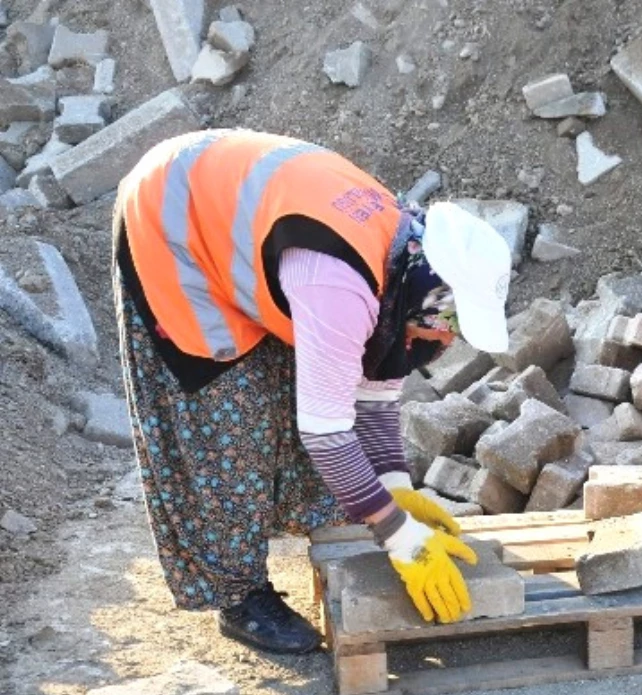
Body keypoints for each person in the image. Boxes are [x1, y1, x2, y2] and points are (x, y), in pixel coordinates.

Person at [112, 129, 512, 654]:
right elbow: (325, 431)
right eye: (449, 321)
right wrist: (403, 539)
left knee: (302, 382)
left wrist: (397, 490)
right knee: (226, 420)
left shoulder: (403, 263)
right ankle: (239, 595)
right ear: (434, 289)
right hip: (172, 223)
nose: (446, 337)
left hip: (232, 212)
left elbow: (372, 397)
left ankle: (328, 519)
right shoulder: (340, 286)